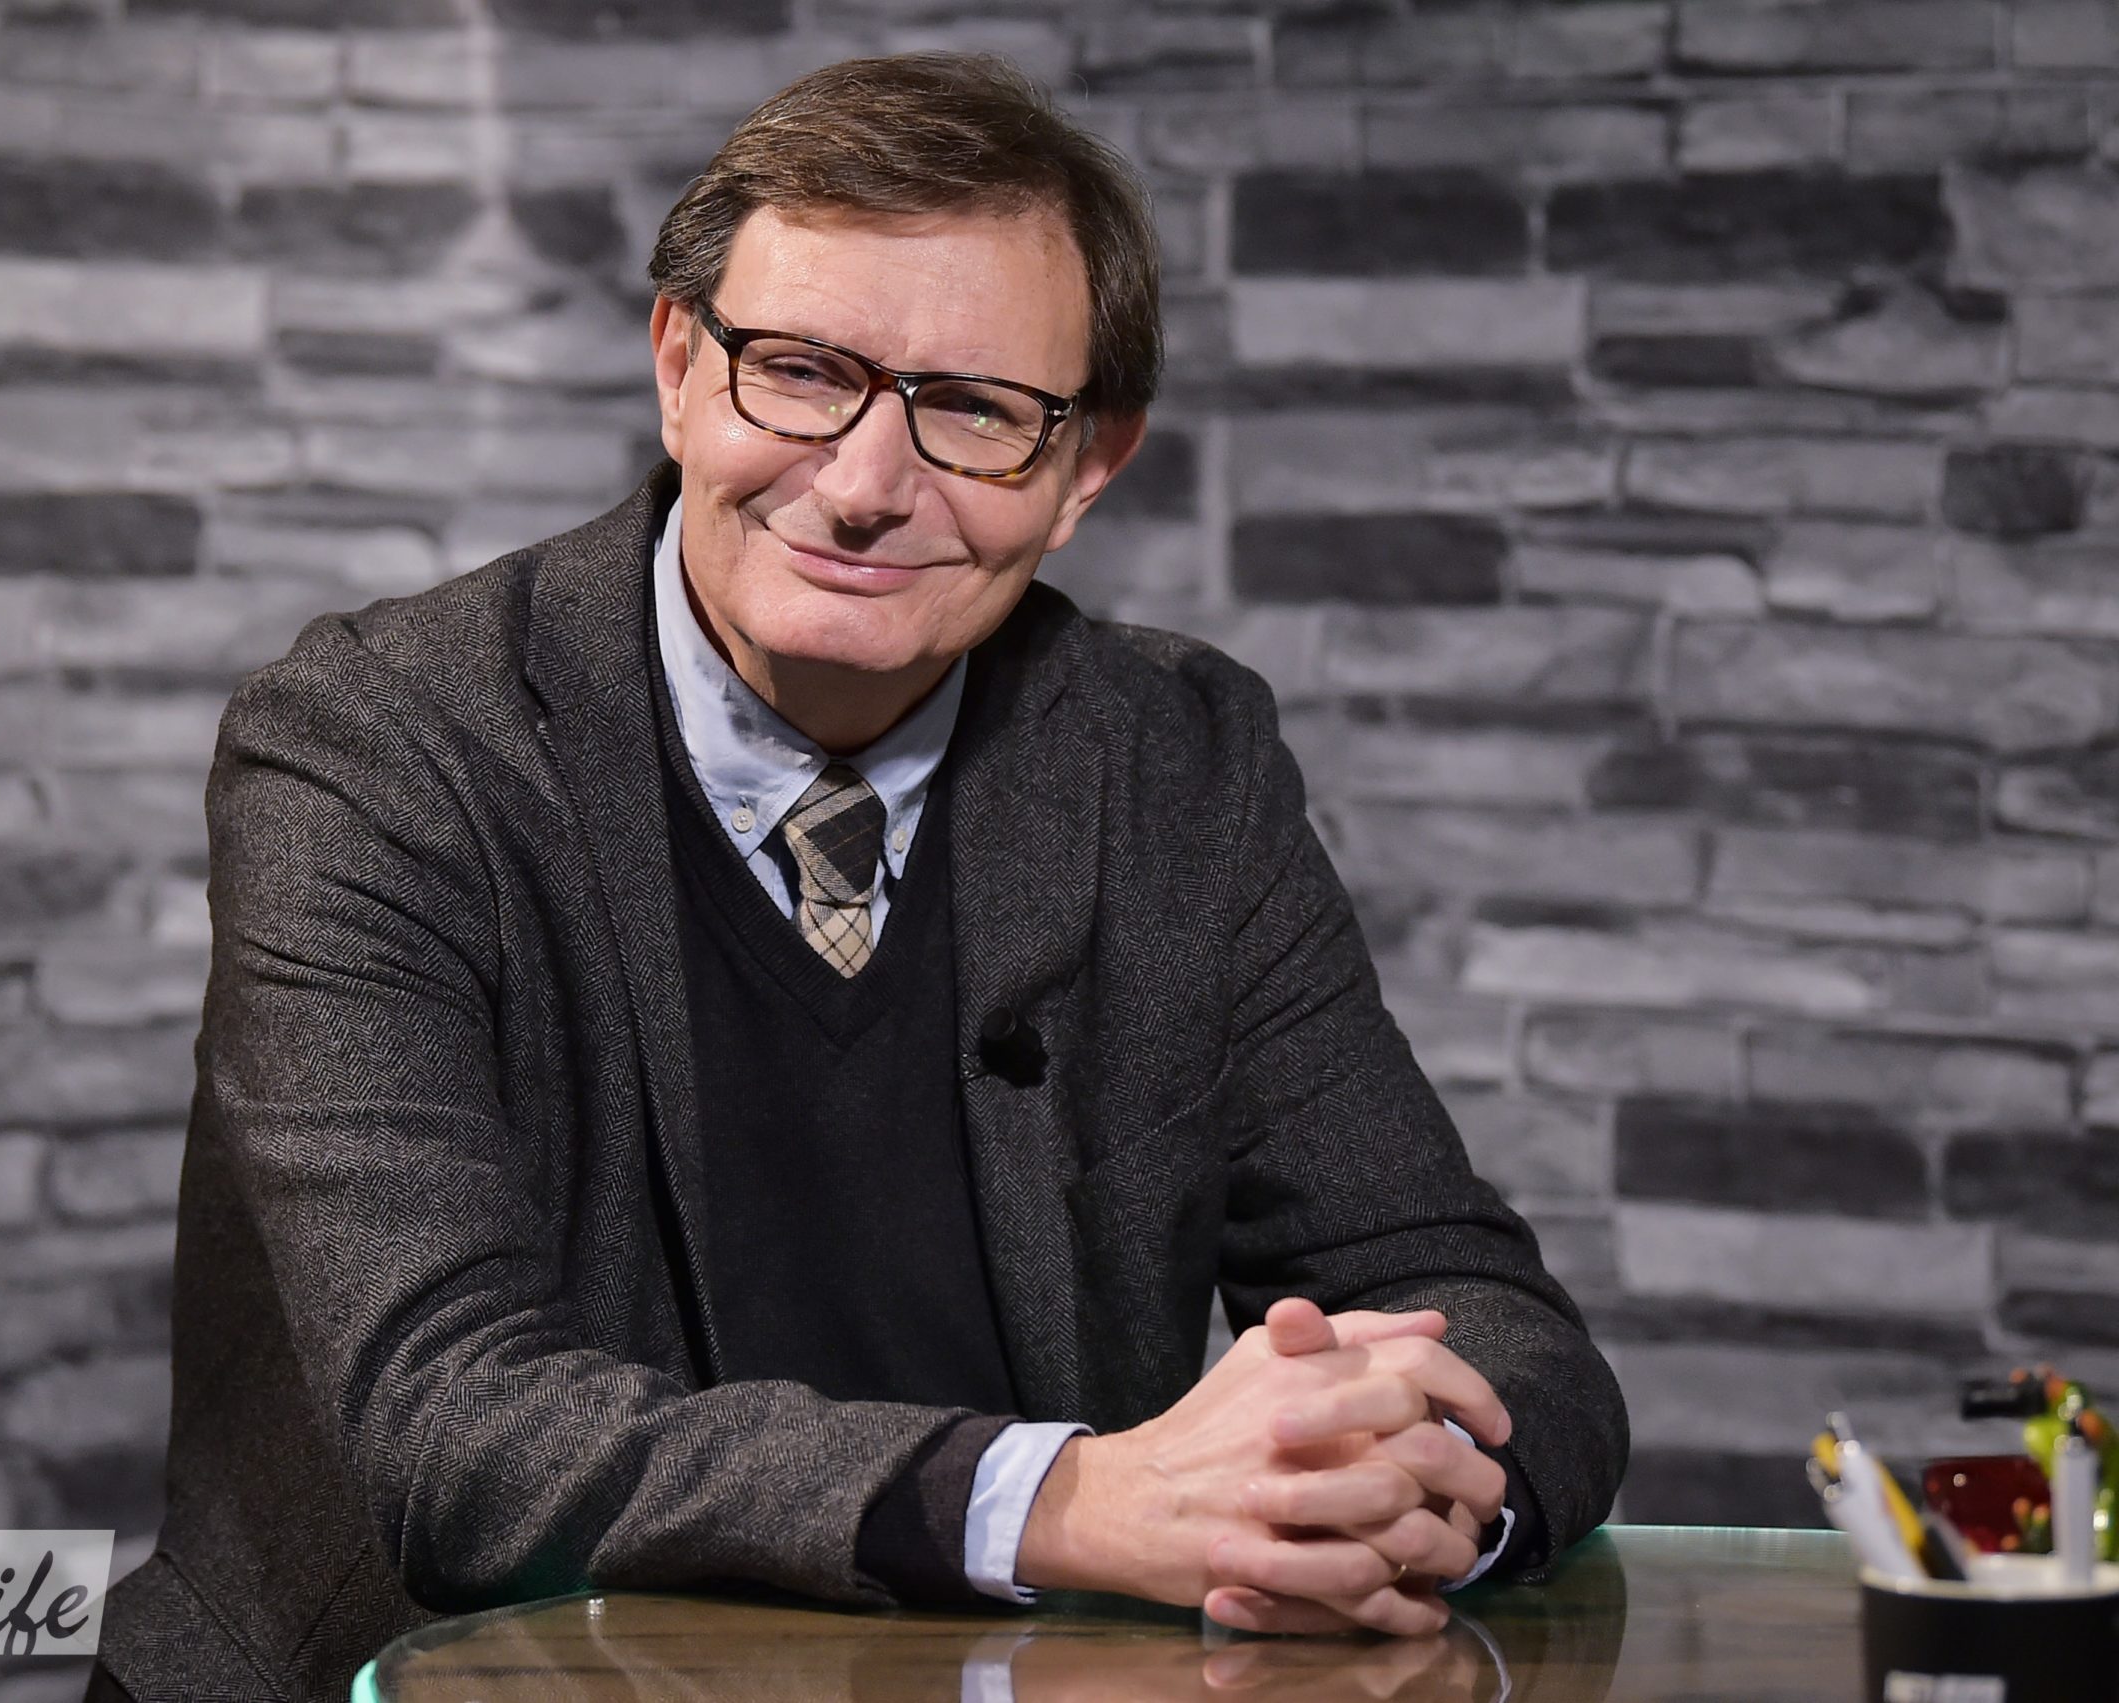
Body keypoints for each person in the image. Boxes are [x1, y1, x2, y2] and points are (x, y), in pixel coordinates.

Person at [87, 51, 1628, 1703]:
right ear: (680, 370)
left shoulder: (1179, 765)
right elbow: (455, 1434)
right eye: (802, 372)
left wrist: (1386, 1489)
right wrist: (1070, 1503)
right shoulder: (378, 748)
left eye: (975, 410)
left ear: (1088, 468)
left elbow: (1484, 1320)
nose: (867, 487)